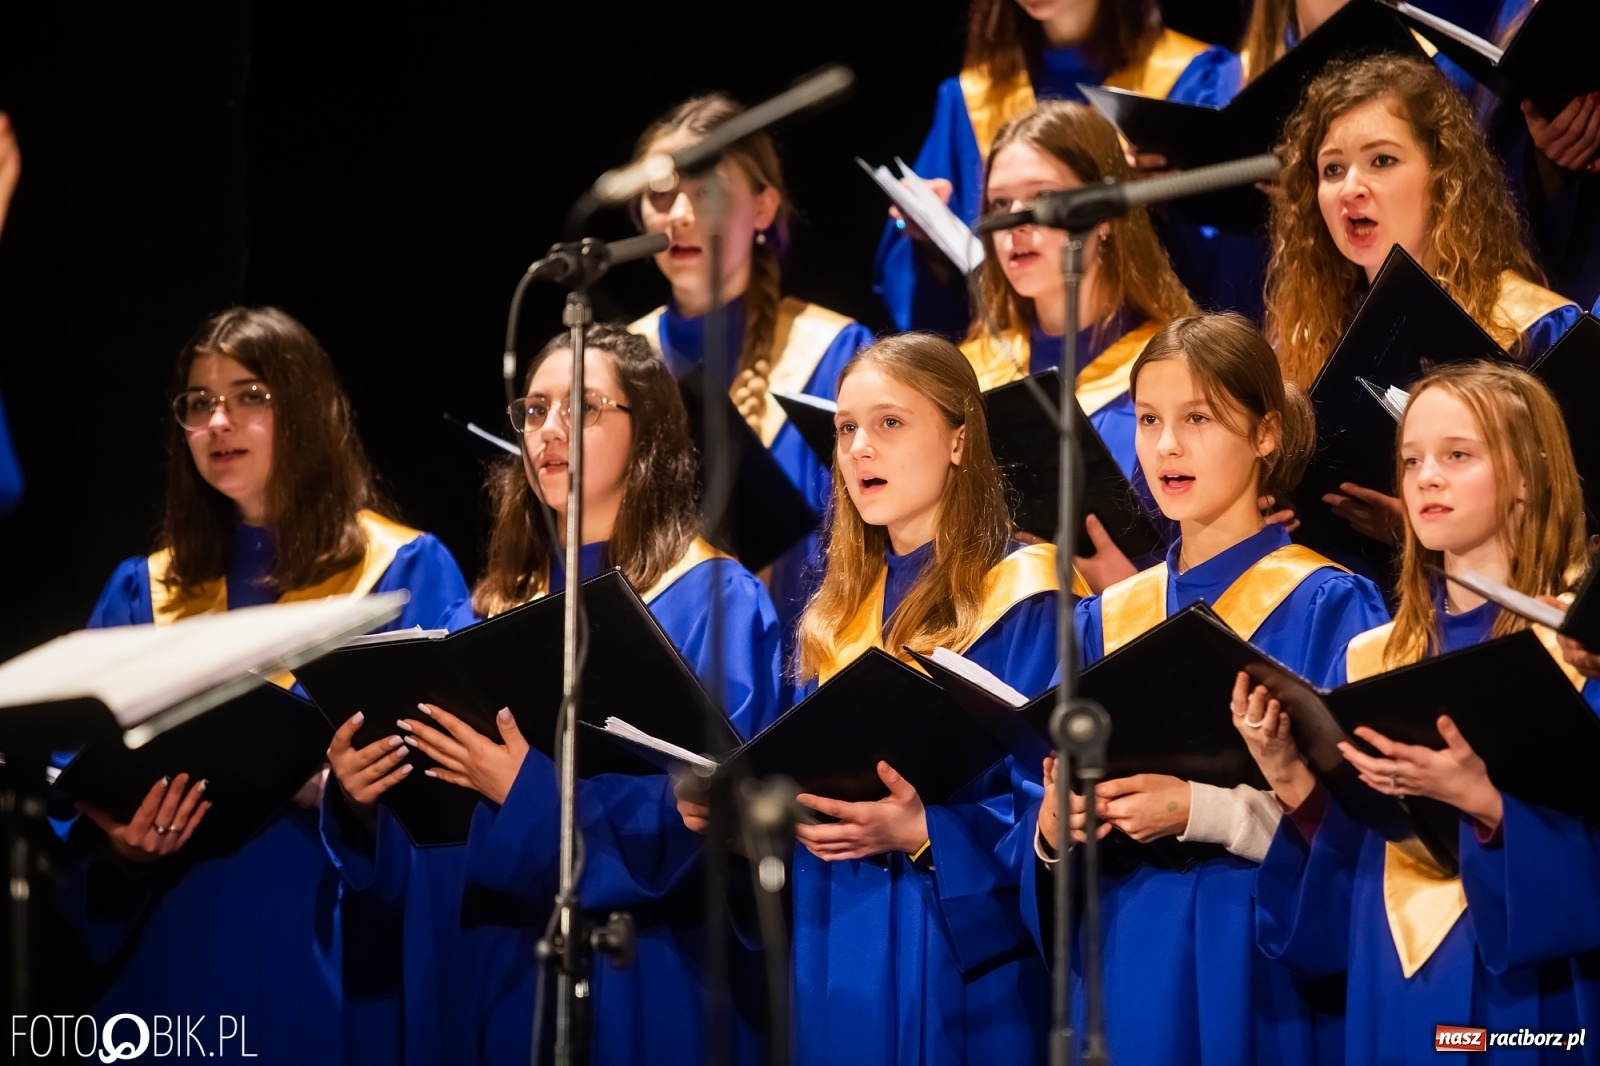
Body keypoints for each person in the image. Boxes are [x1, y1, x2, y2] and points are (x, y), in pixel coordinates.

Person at [323, 324, 782, 1065]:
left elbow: (714, 814)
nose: (549, 431)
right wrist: (365, 799)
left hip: (642, 975)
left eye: (582, 408)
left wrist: (526, 794)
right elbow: (428, 834)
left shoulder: (714, 601)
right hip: (491, 973)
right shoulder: (484, 612)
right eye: (535, 410)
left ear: (648, 432)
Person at [65, 305, 467, 1065]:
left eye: (249, 395)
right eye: (199, 402)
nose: (218, 422)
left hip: (330, 937)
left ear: (308, 410)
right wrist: (119, 844)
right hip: (175, 942)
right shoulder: (141, 591)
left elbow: (450, 784)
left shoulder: (403, 573)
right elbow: (74, 780)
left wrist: (348, 796)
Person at [1024, 313, 1388, 1064]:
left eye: (1198, 419)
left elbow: (1367, 832)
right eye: (1148, 419)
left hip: (1256, 953)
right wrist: (1054, 828)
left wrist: (1203, 810)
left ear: (1265, 434)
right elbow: (1039, 809)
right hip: (1122, 947)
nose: (1166, 446)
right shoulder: (1105, 618)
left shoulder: (1329, 604)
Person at [1246, 361, 1600, 1063]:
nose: (1426, 478)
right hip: (1396, 981)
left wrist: (1485, 803)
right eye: (1412, 460)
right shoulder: (1372, 658)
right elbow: (1350, 863)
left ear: (1527, 475)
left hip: (1533, 996)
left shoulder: (1580, 652)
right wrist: (1291, 778)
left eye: (1457, 455)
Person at [736, 331, 1060, 1065]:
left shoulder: (1024, 594)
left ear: (958, 439)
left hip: (960, 960)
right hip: (838, 935)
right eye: (846, 428)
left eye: (889, 423)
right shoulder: (838, 614)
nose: (860, 449)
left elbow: (1047, 805)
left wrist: (925, 830)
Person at [1264, 52, 1581, 547]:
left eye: (1382, 161)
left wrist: (1425, 532)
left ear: (1443, 174)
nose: (1351, 188)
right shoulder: (1302, 341)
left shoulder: (1535, 328)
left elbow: (1576, 517)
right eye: (1332, 169)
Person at [627, 93, 875, 631]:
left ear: (763, 207)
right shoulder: (620, 361)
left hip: (803, 647)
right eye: (660, 194)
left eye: (707, 192)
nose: (679, 216)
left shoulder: (836, 352)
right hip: (657, 652)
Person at [874, 0, 1239, 336]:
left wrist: (1162, 197)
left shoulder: (1193, 79)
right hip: (1017, 359)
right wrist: (925, 239)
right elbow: (928, 306)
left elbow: (1236, 257)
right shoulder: (971, 101)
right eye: (1001, 204)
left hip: (1157, 343)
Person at [963, 99, 1195, 586]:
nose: (1015, 223)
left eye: (1043, 197)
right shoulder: (972, 368)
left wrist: (1133, 590)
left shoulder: (1183, 364)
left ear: (1105, 214)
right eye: (1000, 204)